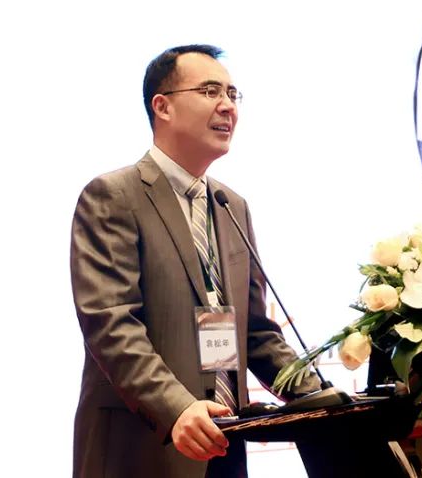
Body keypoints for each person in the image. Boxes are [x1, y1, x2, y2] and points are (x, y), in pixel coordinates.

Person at [69, 44, 320, 477]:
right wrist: (178, 408)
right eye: (209, 91)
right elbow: (111, 325)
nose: (228, 106)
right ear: (162, 106)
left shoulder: (230, 205)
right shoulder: (114, 196)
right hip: (145, 449)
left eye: (232, 94)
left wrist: (321, 395)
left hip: (224, 443)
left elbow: (255, 333)